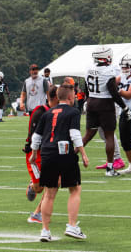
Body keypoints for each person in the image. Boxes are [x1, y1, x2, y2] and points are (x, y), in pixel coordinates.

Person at [29, 84, 89, 242]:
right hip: (65, 152)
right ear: (70, 97)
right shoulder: (73, 112)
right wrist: (83, 154)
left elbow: (36, 136)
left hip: (47, 153)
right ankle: (71, 226)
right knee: (75, 189)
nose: (75, 97)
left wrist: (34, 153)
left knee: (49, 194)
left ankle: (45, 231)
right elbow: (74, 133)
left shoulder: (47, 113)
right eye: (74, 95)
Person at [80, 45, 127, 177]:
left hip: (91, 103)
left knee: (87, 135)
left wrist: (86, 100)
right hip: (105, 105)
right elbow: (113, 91)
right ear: (106, 57)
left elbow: (86, 88)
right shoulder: (110, 70)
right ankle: (110, 168)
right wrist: (124, 107)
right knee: (109, 136)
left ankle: (67, 161)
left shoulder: (88, 68)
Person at [25, 86, 59, 224]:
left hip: (50, 153)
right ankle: (33, 186)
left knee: (54, 183)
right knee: (40, 187)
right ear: (56, 97)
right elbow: (34, 136)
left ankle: (37, 214)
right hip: (36, 154)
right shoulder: (40, 112)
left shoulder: (59, 111)